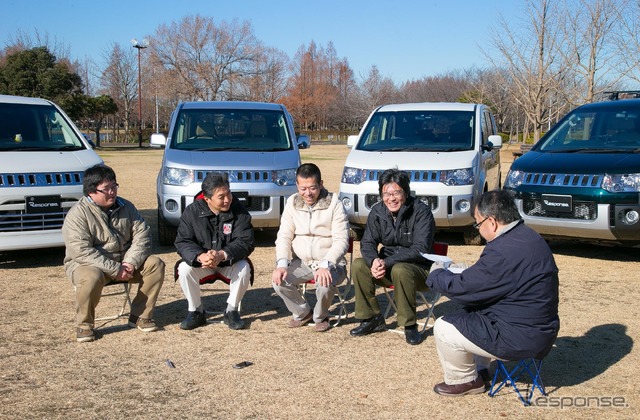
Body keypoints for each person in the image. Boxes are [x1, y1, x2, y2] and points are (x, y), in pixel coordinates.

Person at [427, 190, 560, 397]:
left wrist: (437, 275)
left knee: (444, 327)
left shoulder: (503, 249)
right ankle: (482, 369)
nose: (478, 230)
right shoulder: (529, 237)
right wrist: (468, 273)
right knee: (473, 311)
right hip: (540, 330)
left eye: (478, 224)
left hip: (518, 336)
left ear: (492, 221)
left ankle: (465, 380)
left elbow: (463, 290)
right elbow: (493, 280)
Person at [62, 164, 165, 343]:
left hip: (125, 263)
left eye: (114, 186)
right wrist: (114, 268)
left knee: (155, 264)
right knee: (90, 275)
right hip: (89, 266)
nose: (112, 192)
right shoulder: (77, 215)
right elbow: (81, 251)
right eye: (106, 189)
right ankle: (84, 325)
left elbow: (143, 236)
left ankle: (140, 316)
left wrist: (130, 263)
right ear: (91, 192)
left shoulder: (127, 207)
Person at [349, 168, 435, 345]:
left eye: (396, 192)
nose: (391, 198)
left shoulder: (421, 212)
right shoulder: (378, 212)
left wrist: (386, 262)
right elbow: (367, 243)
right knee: (359, 265)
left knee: (401, 269)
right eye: (386, 194)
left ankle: (410, 325)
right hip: (387, 267)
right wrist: (374, 261)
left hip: (420, 269)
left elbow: (421, 248)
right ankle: (371, 318)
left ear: (406, 192)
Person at [272, 163, 350, 332]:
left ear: (321, 184)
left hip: (332, 263)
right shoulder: (292, 203)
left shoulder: (334, 204)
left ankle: (321, 316)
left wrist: (326, 264)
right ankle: (302, 312)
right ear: (297, 186)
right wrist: (282, 264)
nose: (307, 193)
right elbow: (284, 235)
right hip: (303, 262)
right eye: (303, 188)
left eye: (312, 188)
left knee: (324, 281)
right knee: (278, 280)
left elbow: (342, 240)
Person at [175, 172, 255, 331]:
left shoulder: (239, 210)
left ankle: (231, 310)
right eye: (221, 196)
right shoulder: (192, 211)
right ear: (207, 199)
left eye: (229, 193)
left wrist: (222, 254)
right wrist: (199, 256)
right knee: (183, 269)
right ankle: (196, 311)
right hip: (203, 263)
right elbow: (183, 241)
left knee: (244, 268)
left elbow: (246, 241)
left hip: (228, 261)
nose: (227, 199)